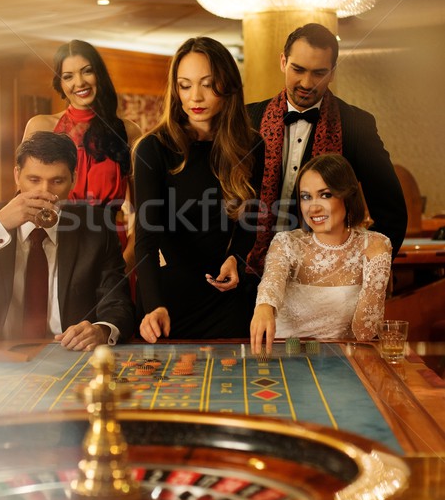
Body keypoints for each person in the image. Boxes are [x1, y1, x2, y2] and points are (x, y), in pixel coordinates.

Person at [246, 23, 406, 298]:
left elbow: (392, 214)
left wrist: (356, 270)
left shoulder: (356, 124)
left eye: (319, 73)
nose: (307, 83)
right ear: (283, 62)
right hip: (248, 274)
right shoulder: (246, 119)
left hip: (321, 283)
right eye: (298, 70)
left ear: (332, 72)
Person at [0, 132, 135, 350]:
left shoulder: (97, 226)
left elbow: (118, 303)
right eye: (34, 180)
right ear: (17, 175)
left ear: (74, 179)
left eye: (57, 181)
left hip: (67, 357)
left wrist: (101, 329)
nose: (44, 192)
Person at [133, 36, 265, 342]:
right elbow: (146, 240)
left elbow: (250, 218)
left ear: (227, 85)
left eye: (207, 83)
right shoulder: (153, 149)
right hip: (167, 299)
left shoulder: (252, 145)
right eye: (185, 84)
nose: (196, 96)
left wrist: (237, 258)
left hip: (224, 296)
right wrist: (154, 306)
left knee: (230, 387)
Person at [250, 153, 392, 354]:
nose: (313, 208)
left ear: (347, 196)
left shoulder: (376, 244)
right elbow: (271, 282)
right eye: (306, 197)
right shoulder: (287, 242)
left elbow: (365, 333)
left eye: (325, 195)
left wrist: (377, 263)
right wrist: (264, 306)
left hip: (342, 364)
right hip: (286, 359)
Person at [23, 39, 141, 273]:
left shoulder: (130, 132)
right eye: (68, 76)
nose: (79, 82)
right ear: (60, 83)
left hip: (113, 254)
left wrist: (126, 261)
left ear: (100, 75)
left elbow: (144, 210)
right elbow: (24, 200)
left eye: (87, 71)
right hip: (55, 248)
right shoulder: (40, 126)